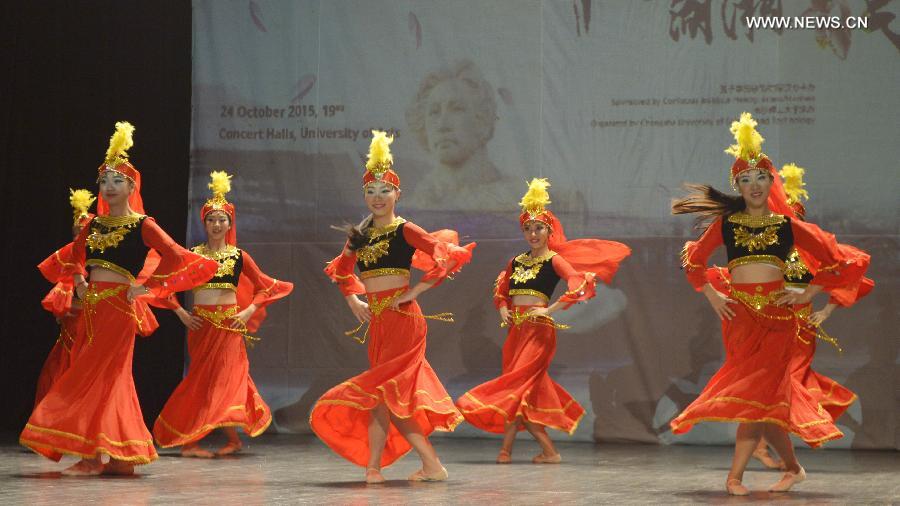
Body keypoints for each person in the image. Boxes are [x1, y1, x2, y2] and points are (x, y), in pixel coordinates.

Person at [668, 113, 871, 495]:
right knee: (767, 400)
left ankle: (734, 476)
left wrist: (810, 293)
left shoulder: (785, 226)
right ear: (738, 186)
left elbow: (840, 260)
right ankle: (793, 468)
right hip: (740, 319)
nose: (754, 185)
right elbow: (692, 258)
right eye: (745, 179)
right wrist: (712, 295)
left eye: (761, 177)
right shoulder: (727, 225)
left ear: (770, 181)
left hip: (779, 321)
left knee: (758, 397)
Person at [20, 122, 219, 475]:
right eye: (104, 181)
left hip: (118, 311)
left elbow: (175, 255)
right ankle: (119, 456)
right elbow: (71, 256)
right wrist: (80, 282)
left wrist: (149, 287)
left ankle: (92, 455)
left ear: (131, 186)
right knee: (106, 379)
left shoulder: (143, 224)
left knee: (94, 377)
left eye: (117, 181)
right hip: (93, 310)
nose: (108, 187)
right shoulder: (94, 225)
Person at [310, 131, 475, 483]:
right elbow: (340, 270)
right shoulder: (360, 235)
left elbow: (446, 256)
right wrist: (353, 299)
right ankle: (375, 467)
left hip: (403, 320)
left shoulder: (405, 230)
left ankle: (429, 464)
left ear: (398, 194)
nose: (377, 197)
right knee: (381, 396)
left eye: (385, 190)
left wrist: (416, 290)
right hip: (379, 322)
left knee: (389, 393)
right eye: (370, 191)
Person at [456, 178, 630, 463]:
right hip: (517, 331)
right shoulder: (516, 261)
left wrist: (550, 311)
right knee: (519, 391)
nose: (533, 233)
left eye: (538, 228)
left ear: (550, 230)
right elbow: (502, 290)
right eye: (527, 228)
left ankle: (525, 450)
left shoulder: (553, 261)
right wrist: (502, 308)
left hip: (539, 332)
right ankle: (521, 451)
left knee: (517, 388)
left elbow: (577, 283)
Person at [152, 171, 293, 457]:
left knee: (227, 380)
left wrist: (249, 310)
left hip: (229, 325)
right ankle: (196, 442)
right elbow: (161, 285)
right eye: (211, 220)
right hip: (201, 325)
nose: (216, 225)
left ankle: (219, 440)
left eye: (222, 220)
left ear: (230, 223)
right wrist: (181, 313)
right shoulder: (192, 255)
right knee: (202, 382)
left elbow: (267, 287)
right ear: (204, 223)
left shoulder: (238, 257)